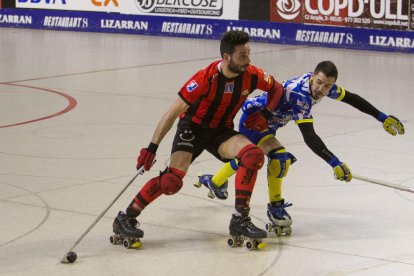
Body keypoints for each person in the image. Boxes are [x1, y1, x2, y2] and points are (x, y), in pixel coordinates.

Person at [112, 30, 285, 246]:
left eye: (249, 54)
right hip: (192, 128)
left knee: (253, 155)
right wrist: (152, 147)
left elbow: (277, 88)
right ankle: (126, 218)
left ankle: (240, 220)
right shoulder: (205, 78)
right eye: (242, 56)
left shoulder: (251, 74)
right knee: (171, 182)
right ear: (226, 57)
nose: (248, 60)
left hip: (220, 131)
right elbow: (171, 113)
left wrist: (267, 113)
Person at [195, 61, 405, 235]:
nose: (320, 90)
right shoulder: (300, 95)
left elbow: (352, 99)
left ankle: (215, 182)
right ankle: (275, 208)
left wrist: (382, 117)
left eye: (326, 86)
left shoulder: (325, 88)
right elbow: (309, 136)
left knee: (252, 158)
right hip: (255, 119)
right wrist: (334, 162)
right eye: (319, 83)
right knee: (279, 157)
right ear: (312, 76)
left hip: (271, 123)